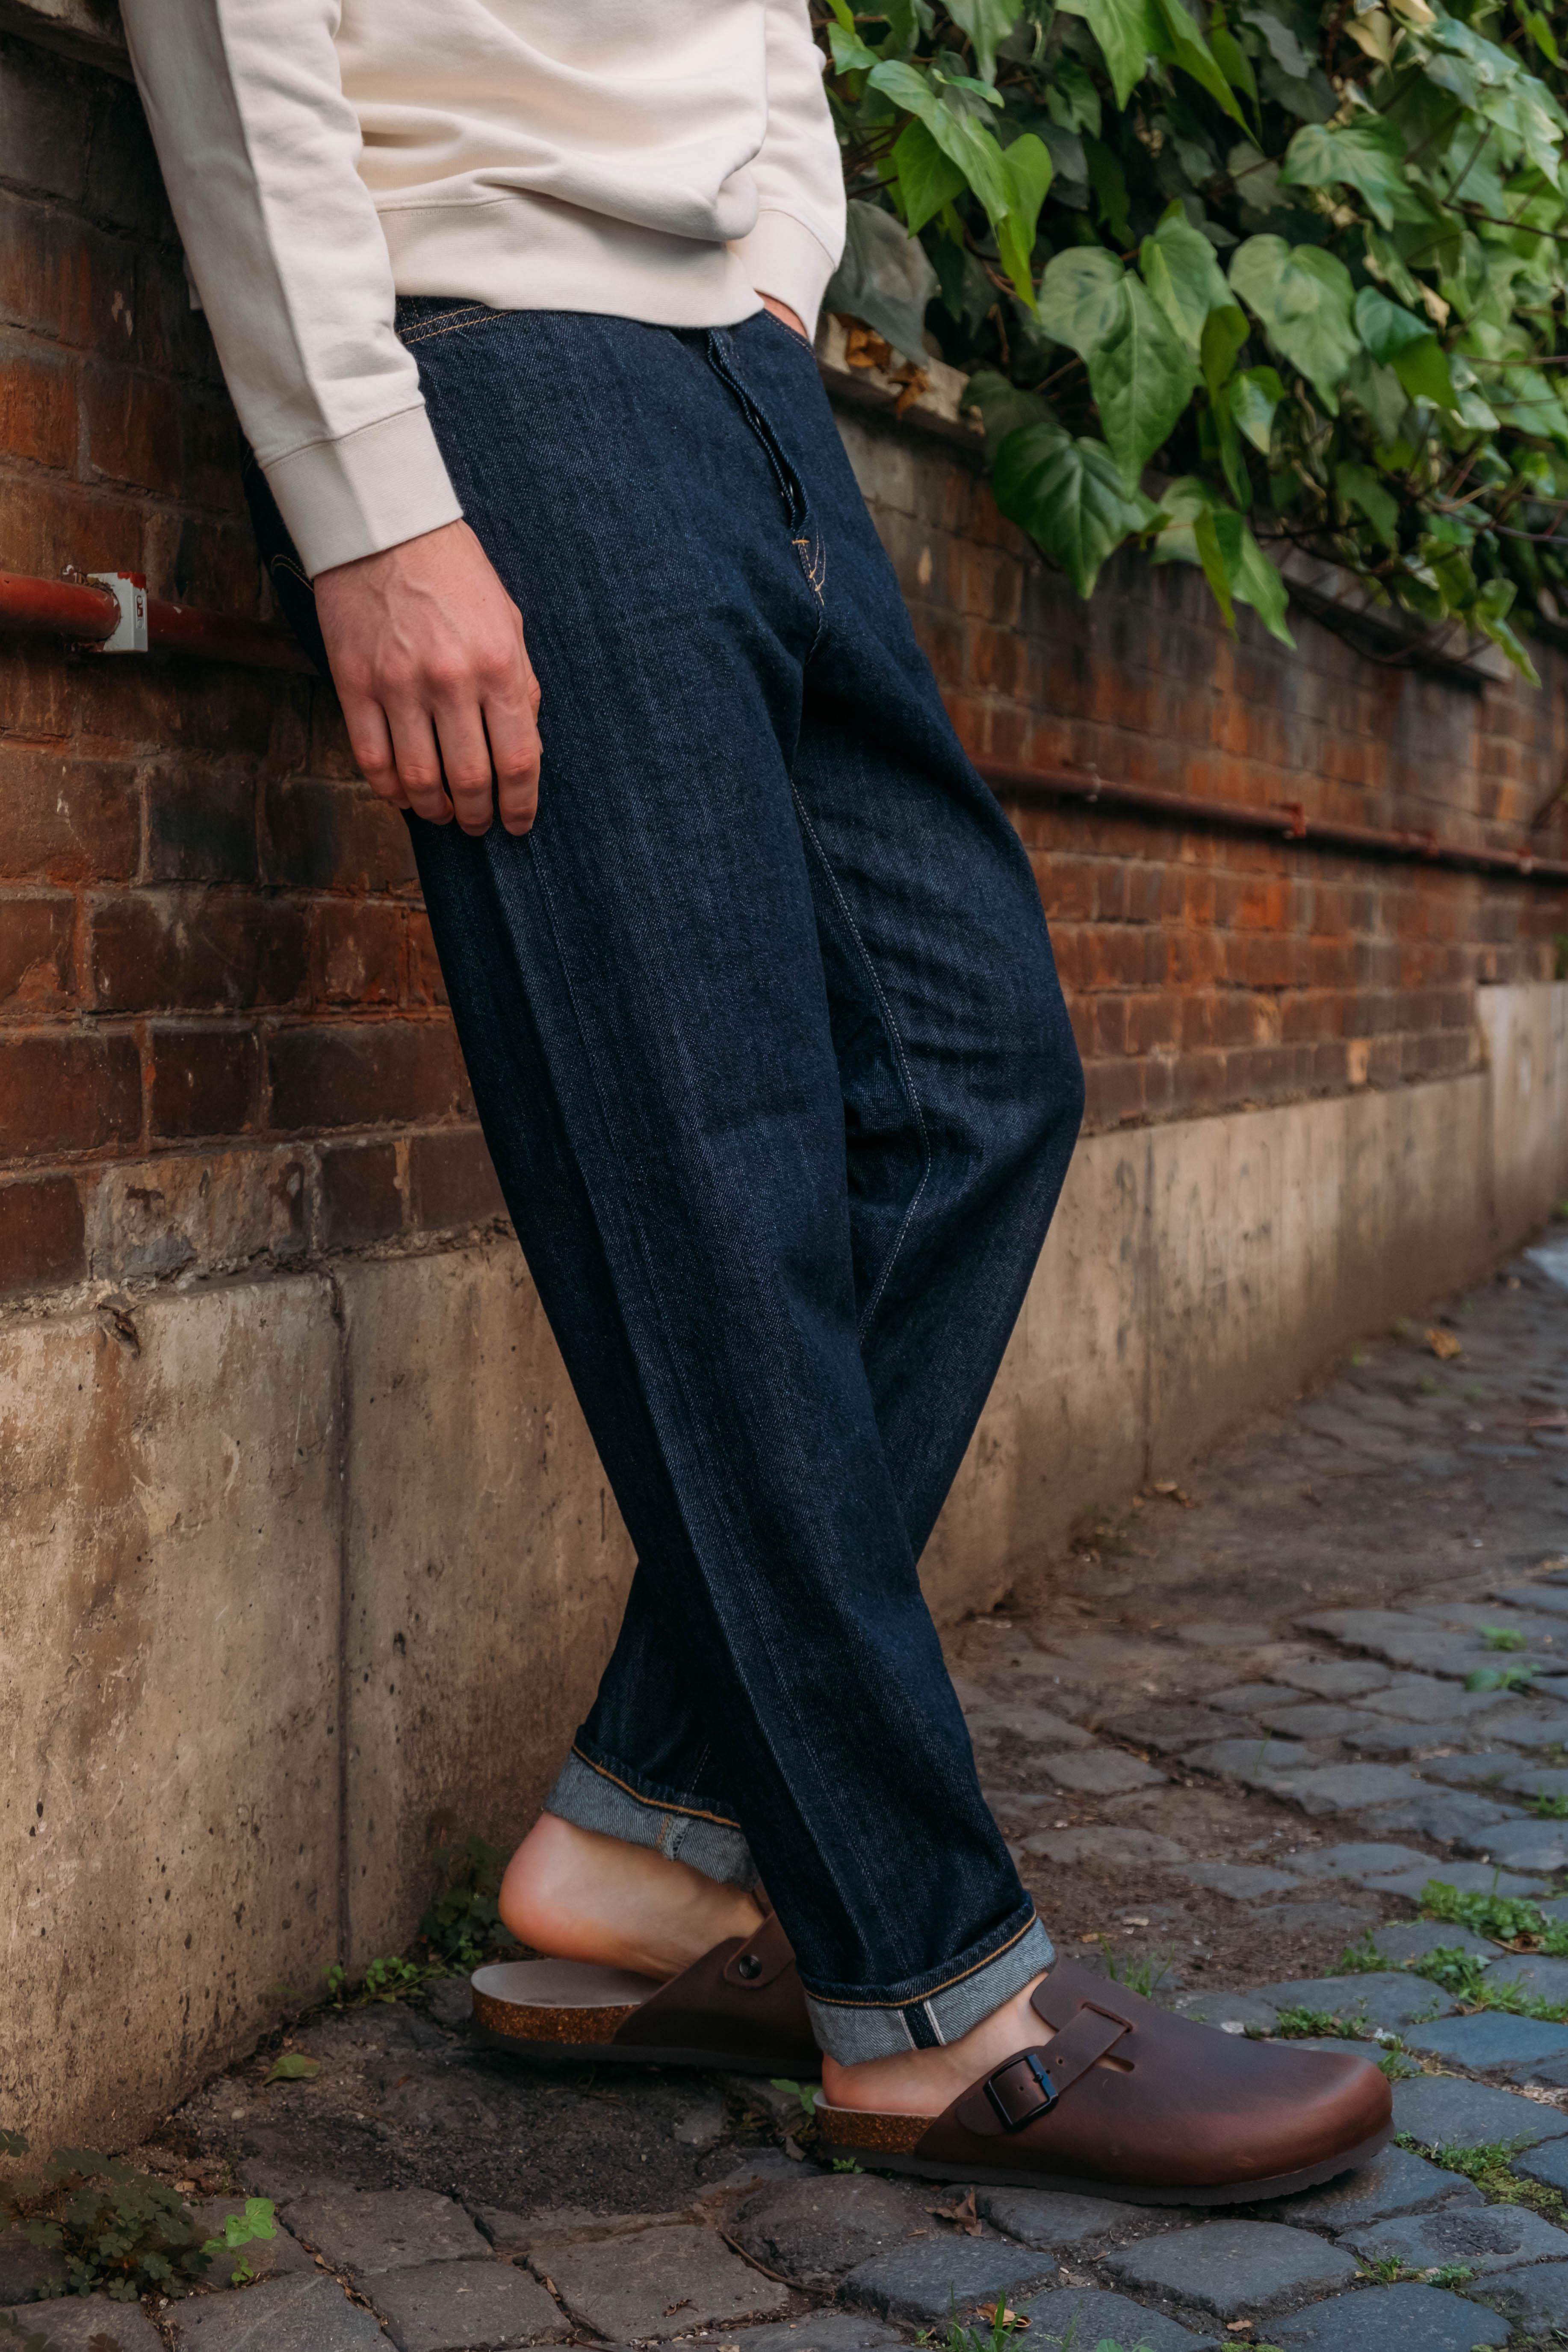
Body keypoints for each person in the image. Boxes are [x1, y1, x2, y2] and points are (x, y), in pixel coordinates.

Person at [120, 0, 1391, 2193]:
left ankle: (642, 1837)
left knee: (977, 1075)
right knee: (706, 1187)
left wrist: (775, 269)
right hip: (496, 368)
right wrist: (364, 497)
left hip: (746, 382)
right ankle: (929, 1996)